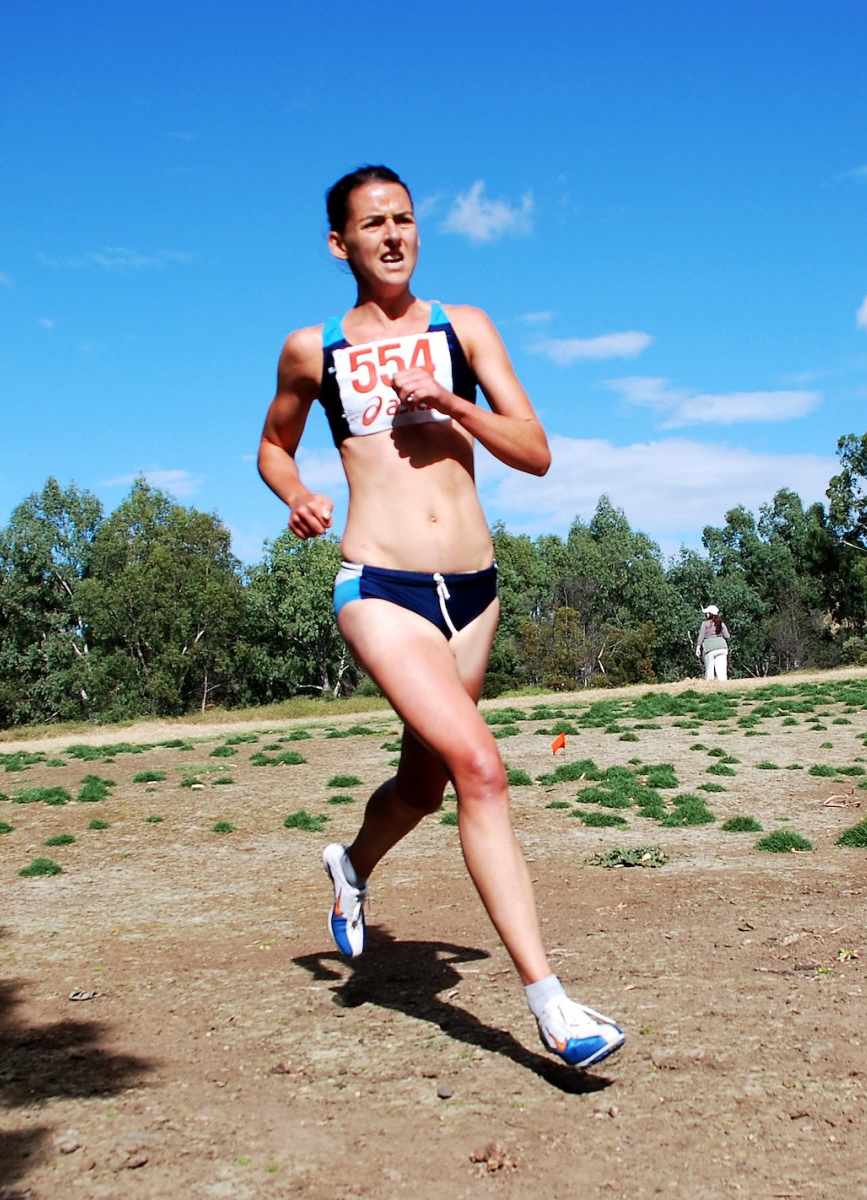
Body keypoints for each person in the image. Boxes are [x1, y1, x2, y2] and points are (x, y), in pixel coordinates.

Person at [257, 165, 624, 1070]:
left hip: (475, 590)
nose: (393, 235)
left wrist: (455, 405)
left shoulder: (466, 330)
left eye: (405, 219)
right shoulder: (314, 350)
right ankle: (553, 1004)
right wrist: (298, 491)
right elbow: (272, 444)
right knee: (481, 772)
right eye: (372, 223)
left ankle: (350, 864)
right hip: (379, 586)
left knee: (423, 787)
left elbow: (535, 451)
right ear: (339, 244)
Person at [698, 604, 730, 680]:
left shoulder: (705, 623)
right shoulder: (721, 623)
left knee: (709, 669)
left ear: (709, 614)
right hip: (722, 647)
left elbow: (701, 636)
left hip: (709, 648)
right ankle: (723, 686)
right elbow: (727, 636)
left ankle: (710, 685)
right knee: (721, 671)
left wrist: (698, 647)